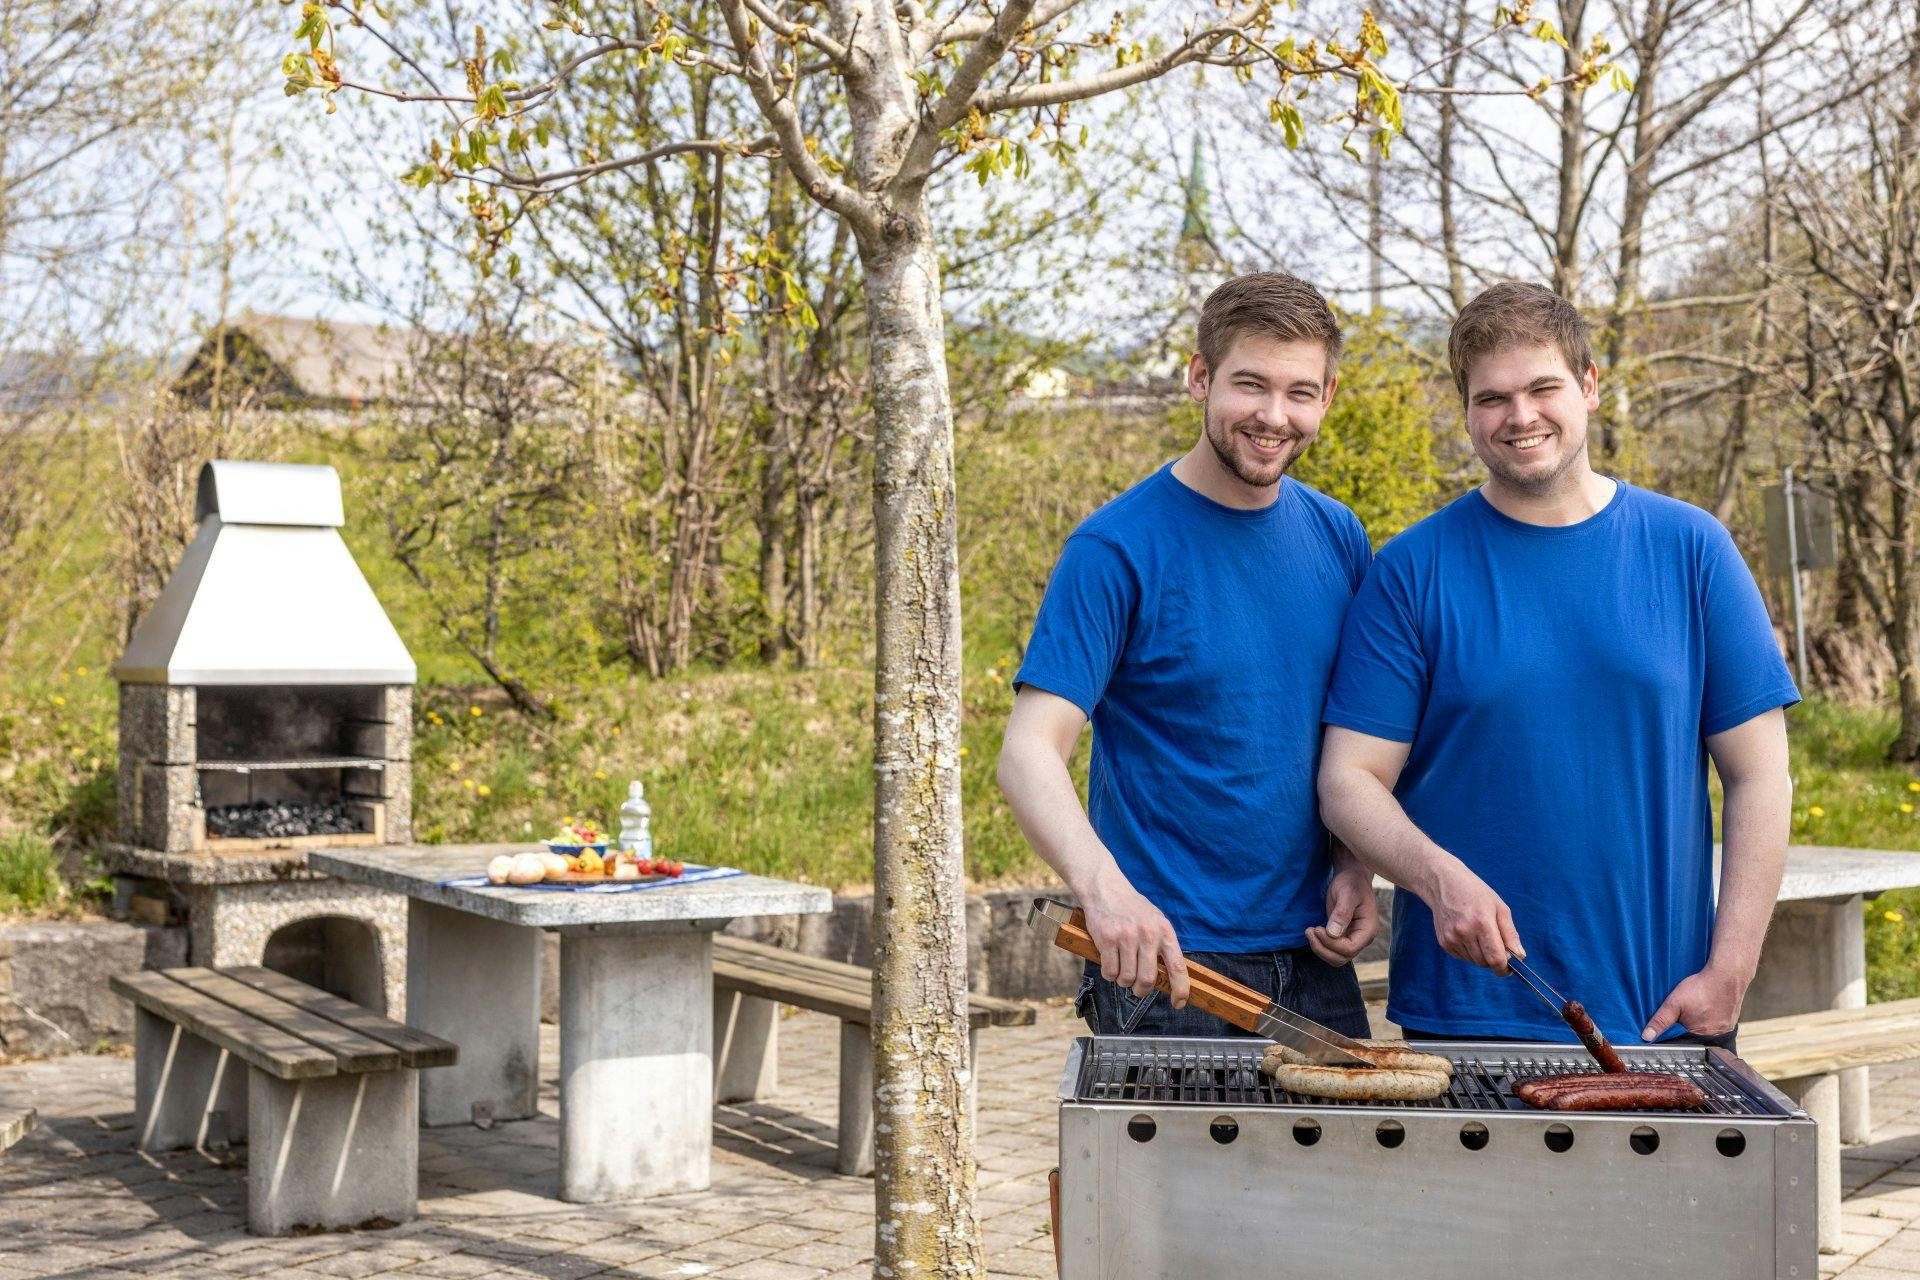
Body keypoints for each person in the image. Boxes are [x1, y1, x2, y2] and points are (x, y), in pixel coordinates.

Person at [1317, 281, 1797, 1048]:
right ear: (1466, 411)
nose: (1521, 416)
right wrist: (1439, 880)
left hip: (1664, 1009)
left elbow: (1760, 775)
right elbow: (1348, 780)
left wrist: (1731, 970)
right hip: (1470, 1011)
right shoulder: (1411, 570)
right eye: (1492, 398)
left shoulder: (1691, 551)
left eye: (1544, 387)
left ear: (1591, 387)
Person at [997, 271, 1379, 1038]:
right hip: (1170, 966)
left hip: (1317, 962)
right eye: (1250, 385)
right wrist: (1103, 891)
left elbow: (1347, 735)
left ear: (1327, 397)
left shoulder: (1340, 535)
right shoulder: (1115, 548)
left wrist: (1352, 863)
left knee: (1339, 1165)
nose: (1275, 416)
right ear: (1200, 378)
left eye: (1301, 392)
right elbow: (1028, 753)